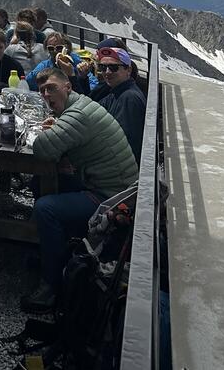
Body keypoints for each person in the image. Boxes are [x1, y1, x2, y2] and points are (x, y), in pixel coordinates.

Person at [22, 66, 138, 312]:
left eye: (51, 88)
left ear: (68, 87)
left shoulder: (77, 115)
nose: (45, 94)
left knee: (45, 209)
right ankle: (53, 254)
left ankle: (51, 286)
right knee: (38, 183)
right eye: (42, 91)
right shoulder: (80, 106)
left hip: (111, 197)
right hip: (111, 183)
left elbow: (43, 149)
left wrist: (54, 133)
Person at [95, 48, 147, 160]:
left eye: (113, 67)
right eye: (102, 67)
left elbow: (124, 144)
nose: (107, 72)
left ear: (128, 70)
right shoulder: (116, 91)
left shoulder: (129, 98)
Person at [25, 32, 95, 93]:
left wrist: (82, 77)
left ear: (67, 48)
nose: (55, 51)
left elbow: (93, 84)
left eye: (59, 48)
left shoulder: (77, 62)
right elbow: (27, 82)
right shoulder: (44, 66)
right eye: (50, 48)